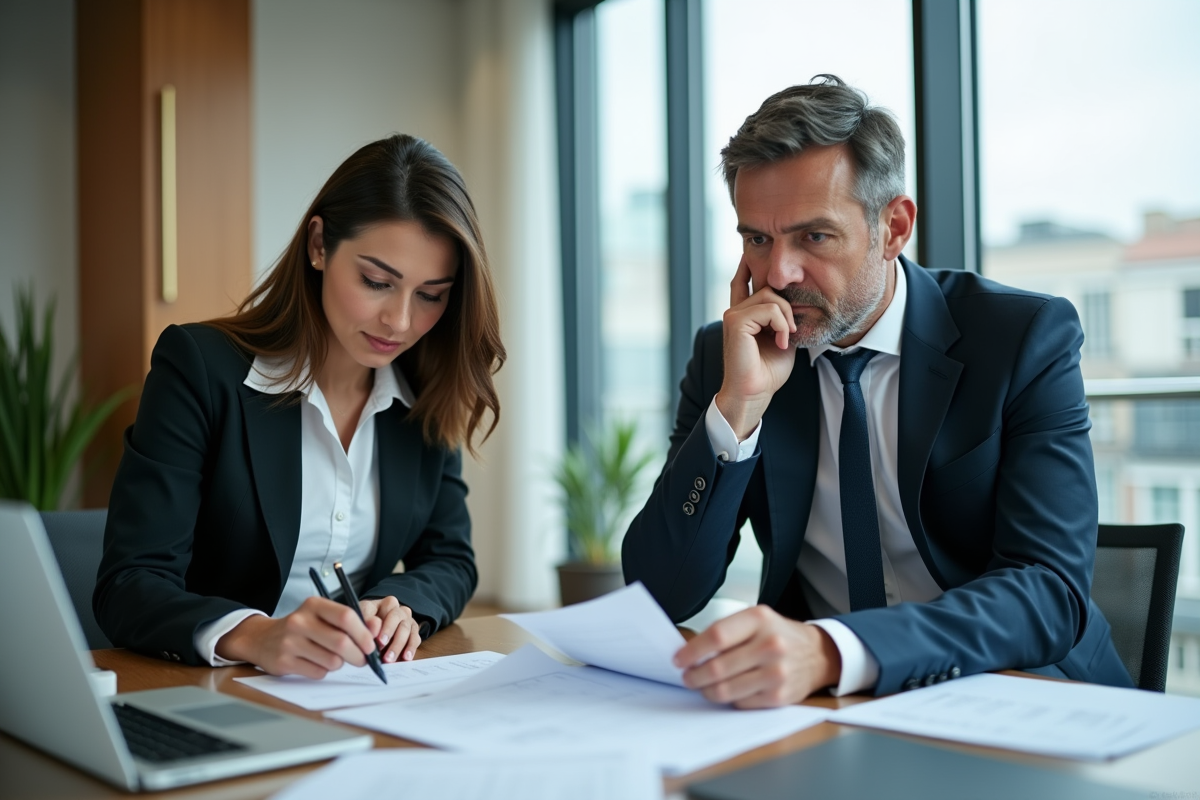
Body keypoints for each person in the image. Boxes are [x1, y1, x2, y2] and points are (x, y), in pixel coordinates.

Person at [622, 75, 1133, 708]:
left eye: (814, 237)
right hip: (829, 712)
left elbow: (1049, 593)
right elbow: (658, 594)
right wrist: (738, 411)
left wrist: (836, 649)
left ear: (893, 227)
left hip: (1019, 695)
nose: (777, 274)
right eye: (757, 238)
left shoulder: (1021, 338)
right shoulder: (729, 356)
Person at [94, 134, 504, 678]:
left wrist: (398, 606)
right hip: (213, 690)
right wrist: (255, 635)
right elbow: (130, 583)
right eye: (377, 281)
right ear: (319, 245)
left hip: (350, 694)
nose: (401, 322)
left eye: (431, 294)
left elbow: (450, 559)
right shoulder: (200, 368)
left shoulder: (425, 390)